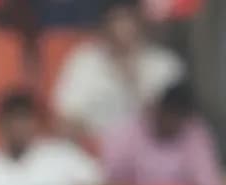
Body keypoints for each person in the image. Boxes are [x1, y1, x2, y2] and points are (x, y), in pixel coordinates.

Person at [53, 0, 183, 139]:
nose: (123, 29)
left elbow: (174, 123)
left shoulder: (165, 64)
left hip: (151, 151)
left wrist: (133, 81)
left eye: (129, 20)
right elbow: (65, 118)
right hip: (95, 147)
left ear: (141, 22)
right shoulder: (84, 61)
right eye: (116, 20)